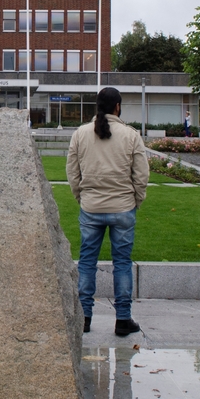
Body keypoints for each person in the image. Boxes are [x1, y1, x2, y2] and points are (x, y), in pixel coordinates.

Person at [66, 87, 148, 337]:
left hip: (91, 207)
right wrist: (136, 201)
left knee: (87, 262)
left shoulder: (80, 134)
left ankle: (85, 316)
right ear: (118, 107)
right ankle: (123, 318)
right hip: (123, 207)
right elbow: (141, 175)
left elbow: (72, 172)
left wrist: (81, 197)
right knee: (122, 263)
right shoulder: (131, 135)